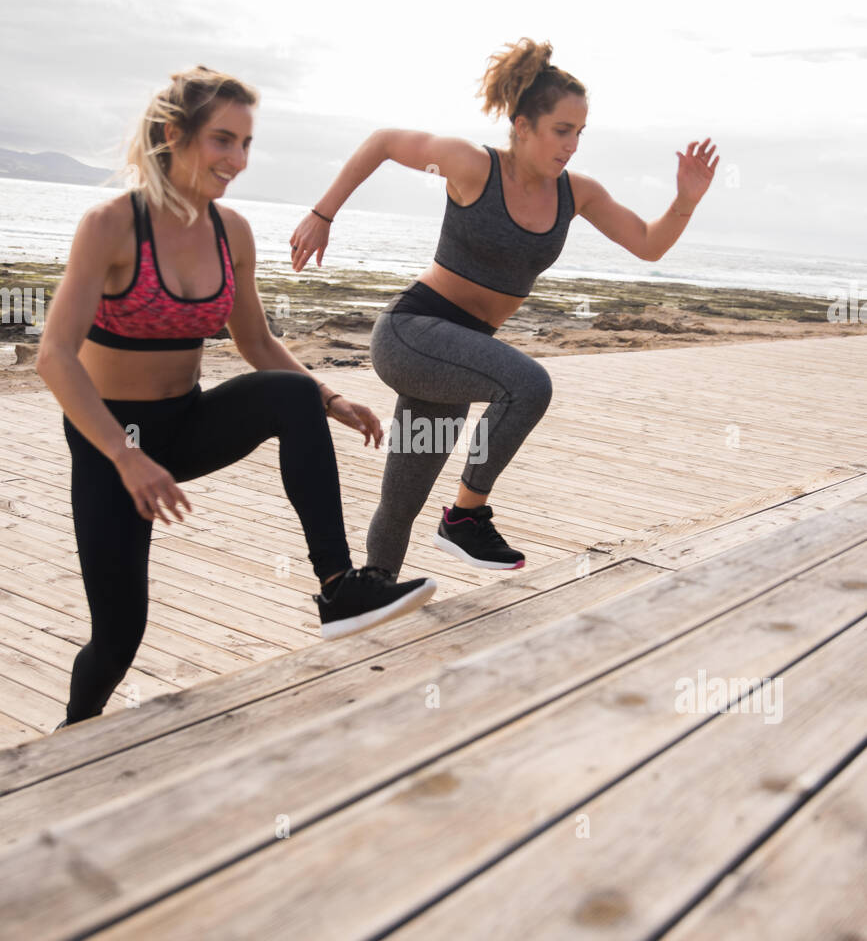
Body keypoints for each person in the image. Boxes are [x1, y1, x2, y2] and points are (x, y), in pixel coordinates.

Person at [37, 66, 437, 729]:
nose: (237, 160)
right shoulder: (111, 224)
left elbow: (254, 340)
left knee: (289, 394)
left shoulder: (233, 234)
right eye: (224, 140)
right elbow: (53, 358)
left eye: (246, 144)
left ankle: (339, 588)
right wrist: (123, 455)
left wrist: (329, 398)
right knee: (118, 638)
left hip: (184, 423)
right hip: (112, 442)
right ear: (175, 134)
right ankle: (66, 743)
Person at [289, 37, 718, 579]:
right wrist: (322, 214)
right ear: (522, 126)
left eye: (580, 133)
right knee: (529, 385)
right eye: (562, 130)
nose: (573, 145)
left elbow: (650, 243)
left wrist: (685, 201)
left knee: (401, 502)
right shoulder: (473, 166)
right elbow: (383, 142)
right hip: (413, 334)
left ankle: (369, 596)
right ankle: (466, 518)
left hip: (456, 360)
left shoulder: (576, 193)